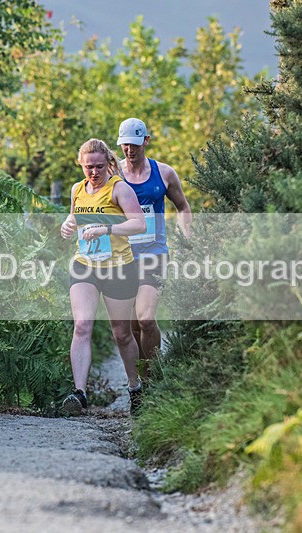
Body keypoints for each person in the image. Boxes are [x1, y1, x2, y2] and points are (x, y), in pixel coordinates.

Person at [60, 138, 147, 416]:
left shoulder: (118, 189)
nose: (94, 173)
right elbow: (75, 219)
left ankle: (135, 387)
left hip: (118, 267)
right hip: (84, 264)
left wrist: (106, 230)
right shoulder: (77, 189)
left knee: (121, 334)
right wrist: (67, 224)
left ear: (107, 163)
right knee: (82, 326)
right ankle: (79, 393)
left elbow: (138, 223)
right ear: (81, 165)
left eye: (98, 166)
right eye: (88, 167)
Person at [116, 118, 192, 385]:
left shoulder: (165, 173)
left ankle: (152, 379)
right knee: (134, 327)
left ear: (146, 141)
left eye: (135, 144)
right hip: (123, 256)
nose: (130, 150)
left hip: (154, 253)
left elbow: (183, 207)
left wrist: (187, 237)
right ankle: (142, 384)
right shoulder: (114, 175)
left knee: (146, 318)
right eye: (125, 144)